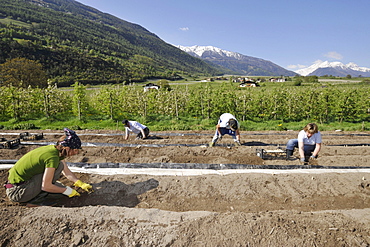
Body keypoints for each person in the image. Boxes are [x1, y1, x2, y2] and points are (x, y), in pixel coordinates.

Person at [4, 128, 93, 207]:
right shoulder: (52, 158)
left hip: (17, 185)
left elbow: (66, 172)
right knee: (56, 190)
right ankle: (35, 201)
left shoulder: (54, 150)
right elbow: (46, 186)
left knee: (59, 172)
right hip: (17, 192)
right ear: (67, 148)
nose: (76, 153)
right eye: (75, 150)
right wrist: (66, 191)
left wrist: (79, 183)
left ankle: (37, 194)